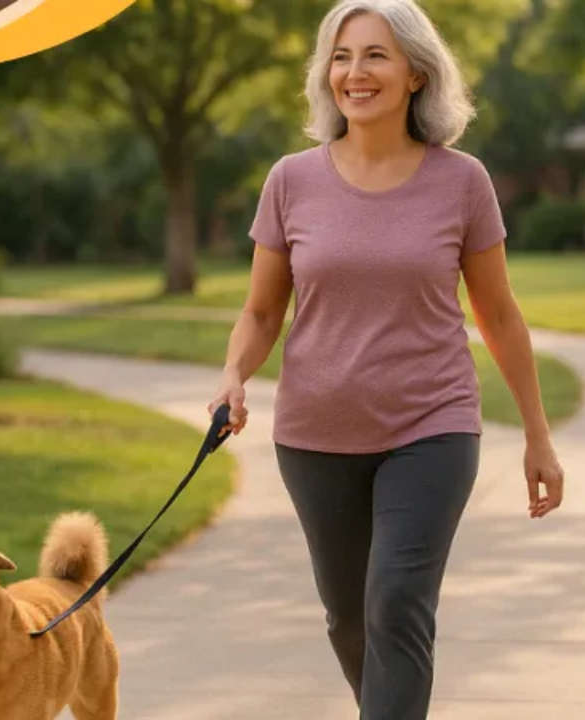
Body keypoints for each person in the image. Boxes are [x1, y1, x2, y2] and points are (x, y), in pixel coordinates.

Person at [206, 0, 565, 717]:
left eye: (375, 55)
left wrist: (537, 435)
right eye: (341, 56)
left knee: (396, 602)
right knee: (349, 620)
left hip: (432, 425)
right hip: (315, 434)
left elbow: (497, 314)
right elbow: (261, 310)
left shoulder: (462, 181)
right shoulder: (291, 180)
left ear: (416, 75)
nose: (355, 72)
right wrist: (234, 375)